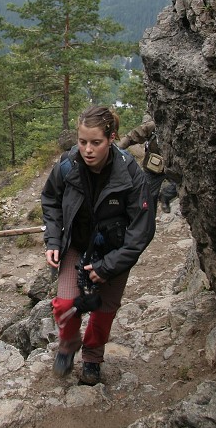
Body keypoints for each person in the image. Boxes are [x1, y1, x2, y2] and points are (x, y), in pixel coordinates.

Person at [41, 105, 156, 385]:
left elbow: (142, 230)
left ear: (111, 138)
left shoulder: (130, 174)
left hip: (115, 253)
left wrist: (108, 267)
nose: (87, 149)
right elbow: (51, 201)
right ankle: (68, 344)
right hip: (77, 246)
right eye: (82, 142)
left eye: (96, 142)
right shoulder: (67, 166)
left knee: (104, 312)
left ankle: (92, 357)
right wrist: (54, 240)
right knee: (65, 304)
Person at [117, 113, 178, 214]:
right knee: (148, 195)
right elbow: (133, 135)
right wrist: (117, 148)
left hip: (173, 166)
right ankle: (148, 220)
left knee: (182, 184)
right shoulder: (153, 127)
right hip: (153, 168)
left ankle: (165, 196)